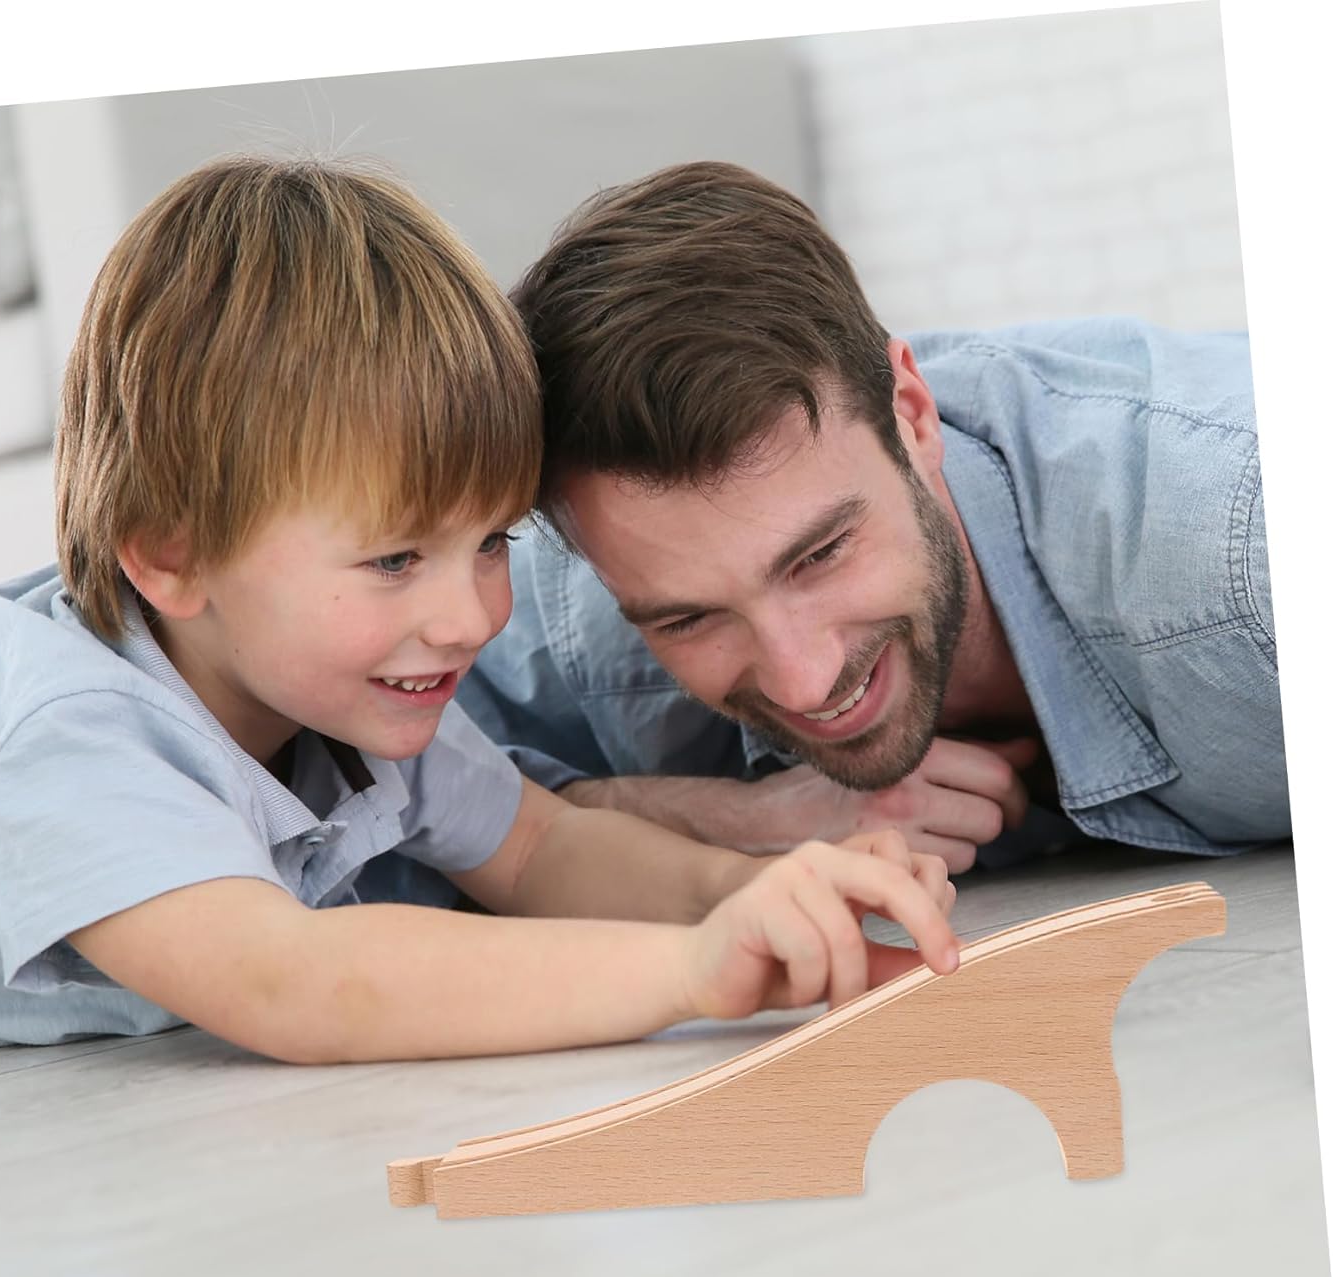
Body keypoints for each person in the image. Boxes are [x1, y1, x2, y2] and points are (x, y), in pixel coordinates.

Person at [0, 156, 960, 1064]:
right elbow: (291, 982)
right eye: (396, 558)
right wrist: (690, 969)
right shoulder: (71, 734)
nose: (468, 619)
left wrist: (761, 892)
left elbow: (540, 849)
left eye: (491, 542)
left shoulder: (338, 689)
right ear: (174, 556)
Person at [456, 161, 1287, 875]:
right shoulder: (590, 581)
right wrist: (729, 819)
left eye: (819, 555)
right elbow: (392, 807)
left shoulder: (1246, 556)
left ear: (914, 415)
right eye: (688, 620)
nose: (803, 681)